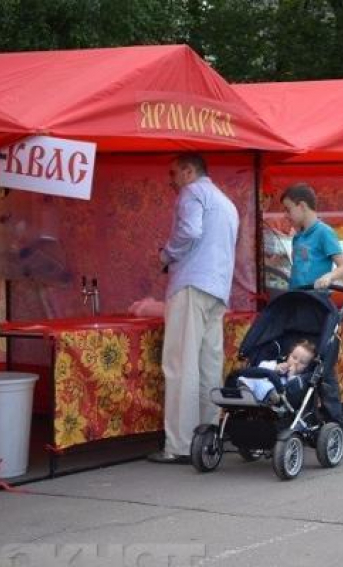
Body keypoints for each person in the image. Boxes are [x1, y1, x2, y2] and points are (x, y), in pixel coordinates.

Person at [148, 153, 239, 464]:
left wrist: (166, 255)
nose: (171, 180)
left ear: (188, 171)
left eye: (174, 173)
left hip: (191, 284)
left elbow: (189, 231)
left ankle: (180, 444)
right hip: (218, 288)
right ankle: (209, 435)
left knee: (180, 365)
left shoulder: (192, 192)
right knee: (208, 366)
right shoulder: (226, 202)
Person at [281, 182, 343, 451]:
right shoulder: (298, 235)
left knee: (323, 369)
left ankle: (339, 429)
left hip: (318, 304)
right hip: (298, 303)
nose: (287, 215)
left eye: (289, 209)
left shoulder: (324, 233)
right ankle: (305, 422)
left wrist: (329, 277)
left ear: (302, 206)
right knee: (299, 365)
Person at [238, 339, 316, 404]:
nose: (296, 362)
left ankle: (270, 396)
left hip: (274, 395)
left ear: (307, 367)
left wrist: (290, 376)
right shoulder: (275, 363)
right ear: (288, 355)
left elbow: (293, 391)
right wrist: (275, 368)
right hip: (252, 390)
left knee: (271, 387)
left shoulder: (298, 379)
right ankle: (244, 388)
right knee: (255, 374)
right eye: (294, 357)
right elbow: (262, 366)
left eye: (302, 362)